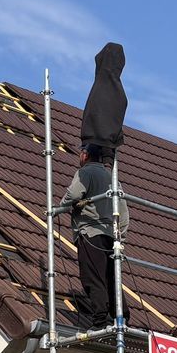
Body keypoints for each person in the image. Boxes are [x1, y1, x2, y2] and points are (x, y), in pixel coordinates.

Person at [59, 43, 129, 322]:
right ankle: (120, 314)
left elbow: (71, 195)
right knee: (113, 276)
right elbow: (124, 212)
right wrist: (120, 234)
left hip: (90, 232)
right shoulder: (113, 180)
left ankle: (100, 316)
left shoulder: (87, 172)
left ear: (86, 152)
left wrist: (60, 208)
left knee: (94, 276)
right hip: (111, 235)